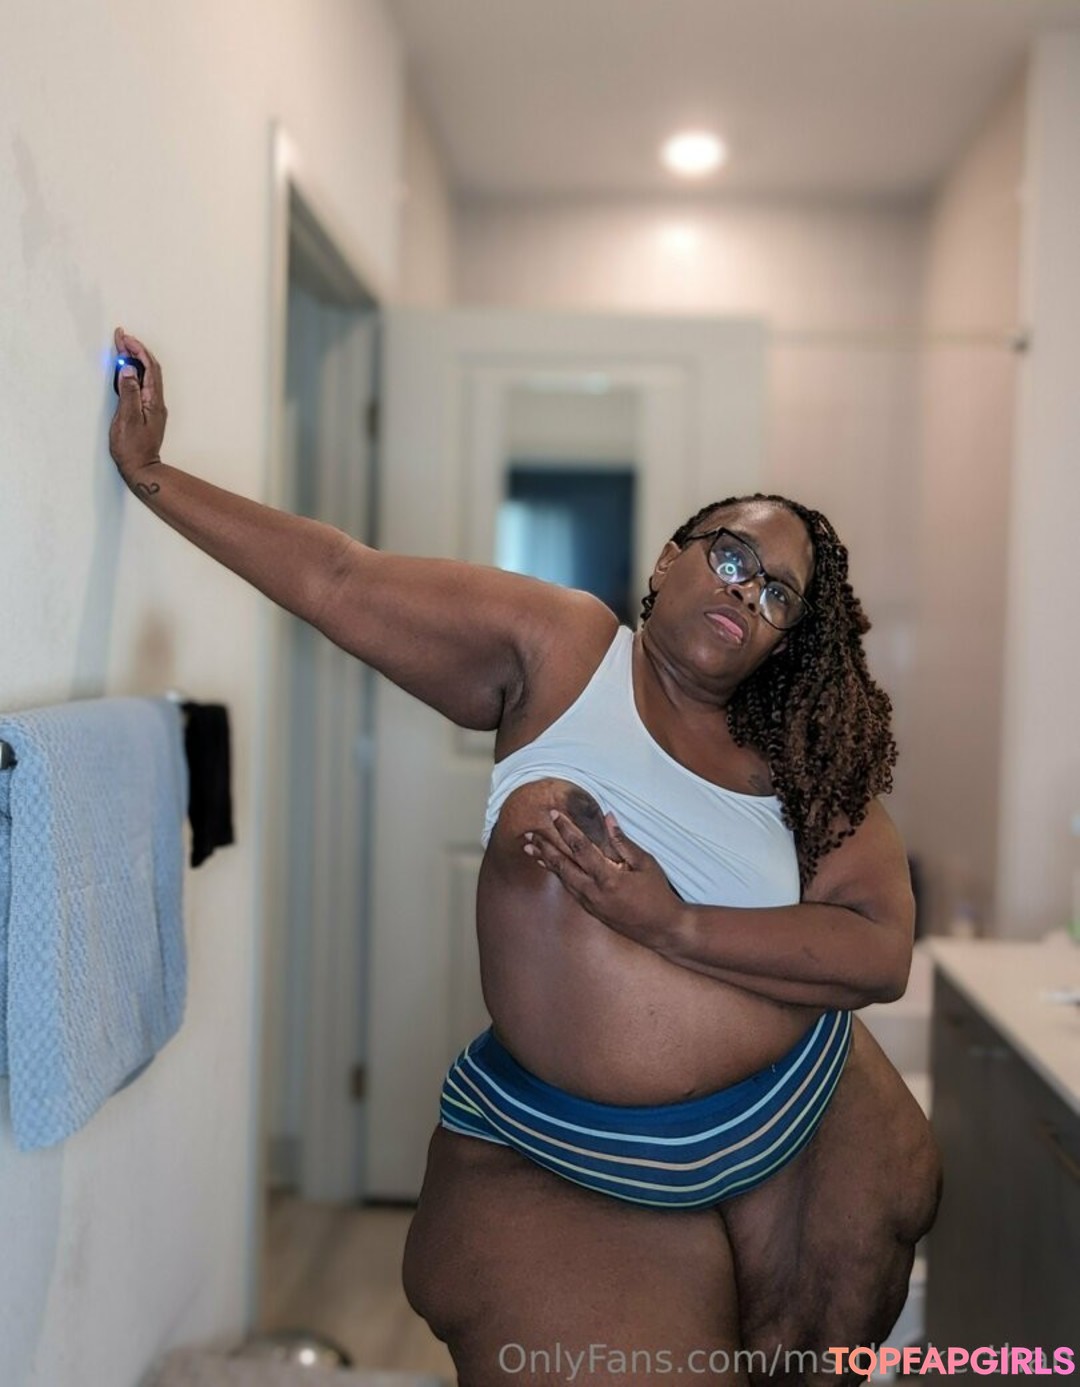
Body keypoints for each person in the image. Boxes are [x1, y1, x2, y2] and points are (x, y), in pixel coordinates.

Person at [108, 330, 941, 1387]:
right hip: (568, 1155)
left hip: (802, 1113)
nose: (749, 592)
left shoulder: (805, 750)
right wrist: (154, 476)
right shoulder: (563, 649)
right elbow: (338, 576)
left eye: (779, 594)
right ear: (669, 561)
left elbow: (878, 951)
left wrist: (671, 922)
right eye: (733, 556)